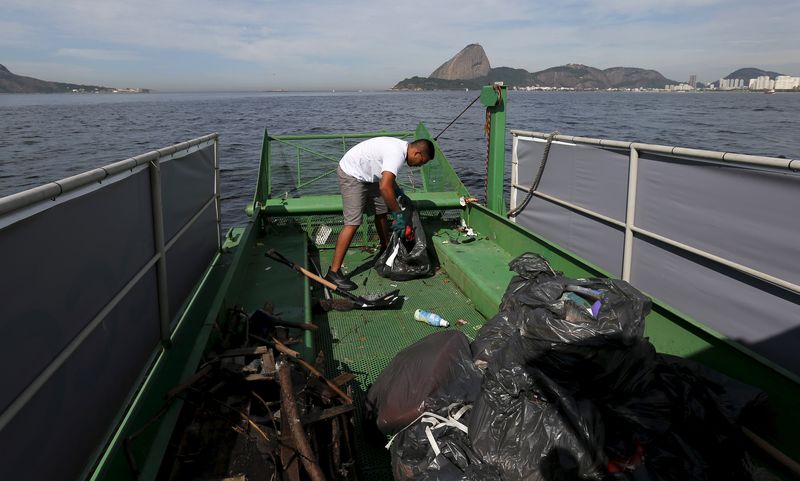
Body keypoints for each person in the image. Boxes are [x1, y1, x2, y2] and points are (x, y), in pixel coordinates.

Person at [325, 137, 435, 290]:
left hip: (371, 176)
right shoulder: (397, 154)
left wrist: (399, 194)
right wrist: (399, 215)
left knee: (381, 212)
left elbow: (388, 180)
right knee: (353, 223)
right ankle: (333, 273)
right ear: (417, 153)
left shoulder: (401, 149)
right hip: (352, 173)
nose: (419, 166)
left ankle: (385, 249)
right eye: (422, 162)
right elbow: (384, 187)